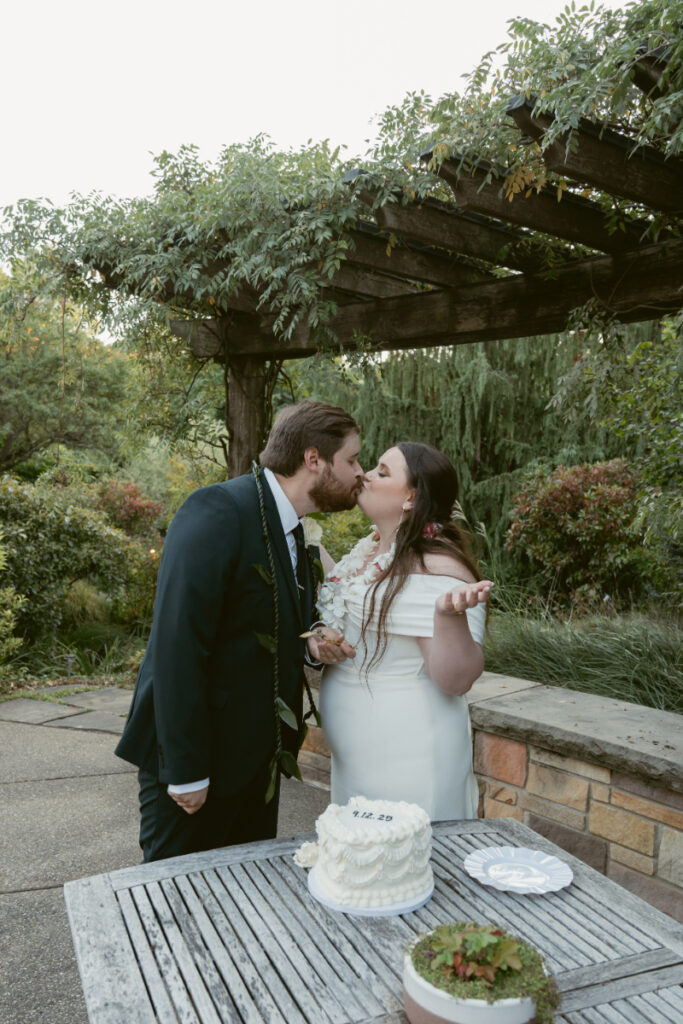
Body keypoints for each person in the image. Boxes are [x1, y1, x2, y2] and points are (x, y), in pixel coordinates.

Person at [115, 400, 363, 862]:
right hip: (198, 765)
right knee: (178, 907)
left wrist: (314, 647)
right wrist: (186, 770)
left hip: (256, 768)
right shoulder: (218, 509)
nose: (359, 473)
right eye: (351, 460)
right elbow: (177, 644)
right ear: (314, 460)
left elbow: (277, 626)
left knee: (247, 912)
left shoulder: (297, 532)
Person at [317, 442, 492, 821]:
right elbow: (340, 594)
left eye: (382, 471)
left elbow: (455, 679)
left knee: (406, 864)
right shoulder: (372, 550)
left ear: (411, 497)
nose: (365, 474)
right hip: (360, 754)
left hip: (408, 752)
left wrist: (448, 616)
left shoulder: (437, 567)